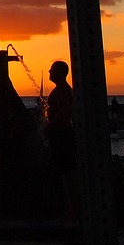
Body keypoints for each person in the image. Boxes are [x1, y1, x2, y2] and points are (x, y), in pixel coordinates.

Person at [44, 60, 80, 225]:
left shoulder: (64, 91)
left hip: (62, 135)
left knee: (69, 174)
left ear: (60, 72)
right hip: (59, 135)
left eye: (52, 70)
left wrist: (50, 127)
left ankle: (73, 213)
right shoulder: (61, 90)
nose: (50, 73)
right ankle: (69, 211)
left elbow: (65, 113)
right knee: (63, 174)